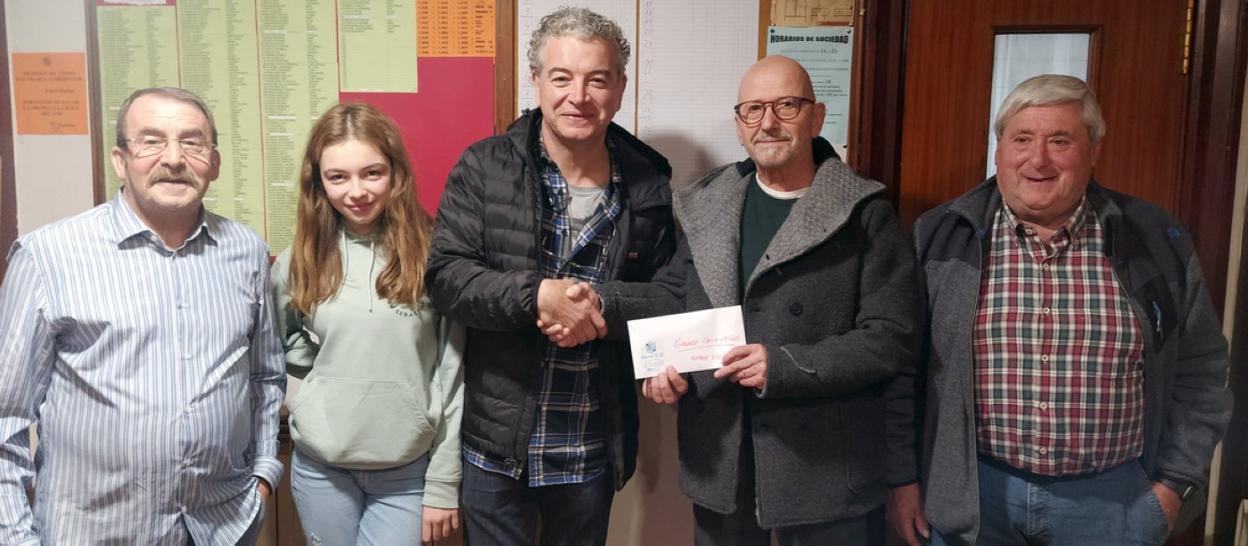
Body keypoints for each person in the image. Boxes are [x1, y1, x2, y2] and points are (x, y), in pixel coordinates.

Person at [565, 55, 922, 546]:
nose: (768, 123)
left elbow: (891, 337)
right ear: (739, 125)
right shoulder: (705, 202)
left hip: (825, 464)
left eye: (787, 106)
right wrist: (607, 308)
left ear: (817, 118)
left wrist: (786, 366)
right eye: (753, 109)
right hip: (723, 456)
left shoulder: (864, 211)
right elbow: (675, 295)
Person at [891, 74, 1233, 546]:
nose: (1038, 159)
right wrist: (903, 481)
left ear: (1094, 151)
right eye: (1022, 139)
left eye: (1060, 140)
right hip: (972, 495)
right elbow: (901, 370)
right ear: (999, 150)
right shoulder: (941, 235)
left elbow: (1202, 371)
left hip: (1115, 503)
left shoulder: (1155, 237)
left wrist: (1174, 484)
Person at [426, 7, 675, 546]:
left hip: (591, 446)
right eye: (561, 77)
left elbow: (669, 295)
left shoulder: (648, 181)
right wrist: (537, 296)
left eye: (596, 79)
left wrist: (601, 310)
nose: (577, 95)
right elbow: (445, 277)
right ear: (536, 81)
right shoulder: (484, 166)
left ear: (621, 87)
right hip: (496, 448)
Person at [0, 87, 284, 544]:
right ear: (120, 160)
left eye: (192, 142)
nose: (174, 158)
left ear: (214, 162)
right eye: (151, 141)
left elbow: (265, 378)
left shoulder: (246, 251)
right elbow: (4, 422)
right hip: (93, 534)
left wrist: (264, 475)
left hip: (221, 528)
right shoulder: (47, 257)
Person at [271, 103, 465, 545]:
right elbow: (277, 349)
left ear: (396, 173)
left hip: (406, 469)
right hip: (322, 468)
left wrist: (443, 484)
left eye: (371, 173)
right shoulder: (299, 261)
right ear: (318, 181)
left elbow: (454, 377)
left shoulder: (436, 257)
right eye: (337, 177)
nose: (355, 191)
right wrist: (309, 398)